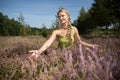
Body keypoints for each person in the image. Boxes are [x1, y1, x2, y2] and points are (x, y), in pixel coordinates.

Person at [29, 8, 99, 60]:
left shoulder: (74, 29)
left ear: (68, 16)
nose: (60, 18)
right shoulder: (56, 32)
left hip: (71, 54)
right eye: (59, 17)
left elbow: (79, 42)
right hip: (59, 54)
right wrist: (39, 51)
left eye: (62, 16)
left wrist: (91, 46)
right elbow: (48, 43)